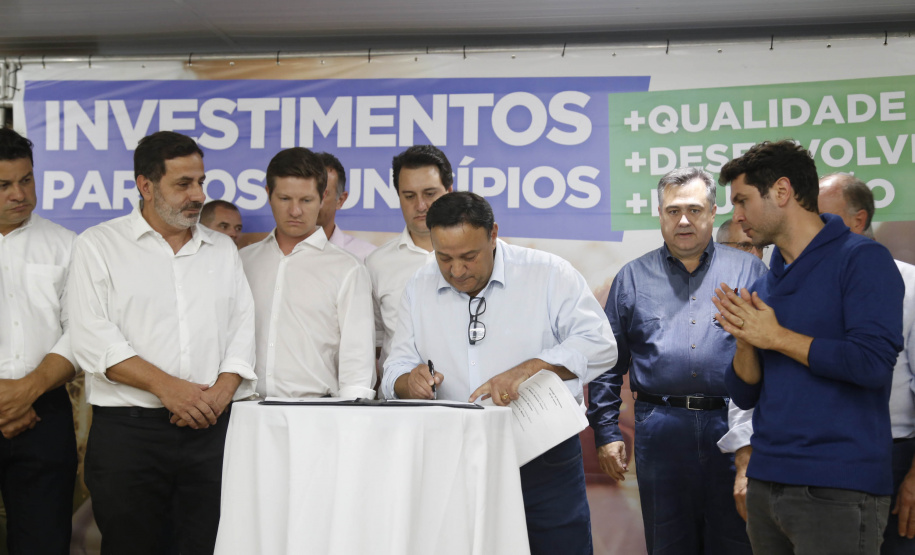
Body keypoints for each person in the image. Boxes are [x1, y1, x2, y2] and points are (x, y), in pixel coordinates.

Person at [382, 191, 617, 555]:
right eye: (444, 257)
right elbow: (394, 368)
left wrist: (530, 368)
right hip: (454, 458)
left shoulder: (549, 274)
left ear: (493, 234)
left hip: (545, 456)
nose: (456, 271)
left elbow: (601, 345)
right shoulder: (419, 285)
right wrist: (407, 381)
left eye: (468, 257)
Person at [68, 131, 257, 555]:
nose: (198, 195)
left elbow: (243, 328)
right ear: (146, 186)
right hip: (130, 438)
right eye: (183, 184)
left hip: (212, 432)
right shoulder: (99, 246)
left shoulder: (222, 250)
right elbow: (91, 337)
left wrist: (220, 394)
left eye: (201, 182)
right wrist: (169, 389)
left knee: (207, 545)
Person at [715, 140, 904, 554]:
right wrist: (746, 340)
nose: (737, 216)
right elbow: (746, 393)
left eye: (743, 200)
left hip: (838, 488)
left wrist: (776, 337)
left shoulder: (863, 260)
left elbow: (871, 364)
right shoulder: (767, 280)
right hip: (767, 486)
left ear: (781, 192)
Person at [587, 167, 764, 555]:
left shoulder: (748, 270)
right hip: (661, 429)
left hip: (732, 429)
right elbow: (606, 362)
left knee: (736, 541)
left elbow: (772, 357)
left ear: (713, 212)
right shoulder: (632, 278)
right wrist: (607, 431)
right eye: (672, 211)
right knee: (669, 543)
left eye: (694, 210)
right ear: (660, 214)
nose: (683, 220)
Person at [818, 173, 915, 554]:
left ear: (857, 221)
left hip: (893, 456)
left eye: (823, 217)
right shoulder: (812, 285)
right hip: (825, 458)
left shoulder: (910, 285)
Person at [241, 148, 375, 399]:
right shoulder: (243, 262)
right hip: (246, 410)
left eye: (306, 200)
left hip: (317, 415)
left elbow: (357, 362)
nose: (295, 211)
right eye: (284, 199)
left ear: (323, 197)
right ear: (268, 194)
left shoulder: (347, 268)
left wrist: (352, 421)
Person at [0, 128, 78, 554]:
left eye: (26, 180)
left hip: (44, 413)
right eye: (4, 185)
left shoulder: (67, 246)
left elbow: (80, 332)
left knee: (44, 543)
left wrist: (24, 394)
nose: (19, 194)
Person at [365, 145, 452, 370]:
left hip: (465, 396)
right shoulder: (376, 263)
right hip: (396, 399)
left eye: (430, 194)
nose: (421, 205)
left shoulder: (478, 259)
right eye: (409, 196)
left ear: (449, 191)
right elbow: (374, 343)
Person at [315, 152, 377, 263]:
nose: (312, 202)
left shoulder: (366, 257)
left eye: (322, 194)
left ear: (340, 200)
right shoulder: (278, 252)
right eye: (305, 194)